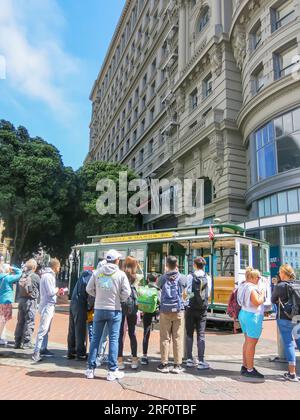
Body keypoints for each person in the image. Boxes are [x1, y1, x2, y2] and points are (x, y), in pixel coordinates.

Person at [86, 249, 131, 381]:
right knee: (113, 339)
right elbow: (127, 292)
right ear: (117, 260)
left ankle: (90, 369)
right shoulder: (120, 274)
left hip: (99, 309)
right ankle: (112, 370)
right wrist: (119, 299)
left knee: (95, 339)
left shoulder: (97, 273)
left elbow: (89, 289)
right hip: (114, 309)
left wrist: (98, 295)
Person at [157, 256, 187, 374]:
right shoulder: (182, 278)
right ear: (177, 264)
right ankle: (177, 364)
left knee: (165, 337)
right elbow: (186, 293)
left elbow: (158, 288)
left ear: (167, 265)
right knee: (177, 337)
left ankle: (164, 364)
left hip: (165, 311)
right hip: (178, 311)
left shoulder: (163, 278)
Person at [272, 264, 300, 382]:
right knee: (299, 341)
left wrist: (276, 285)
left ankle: (292, 373)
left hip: (284, 317)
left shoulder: (280, 286)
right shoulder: (297, 283)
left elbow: (273, 300)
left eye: (280, 272)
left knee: (289, 344)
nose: (279, 274)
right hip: (297, 317)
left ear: (283, 273)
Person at [238, 267, 266, 380]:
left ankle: (245, 366)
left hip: (244, 314)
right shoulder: (252, 288)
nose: (259, 279)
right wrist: (263, 294)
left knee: (247, 342)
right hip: (253, 316)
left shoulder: (243, 285)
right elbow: (257, 302)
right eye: (258, 277)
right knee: (251, 344)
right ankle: (250, 369)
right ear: (252, 277)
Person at [32, 258, 62, 362]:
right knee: (43, 329)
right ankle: (36, 351)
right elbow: (50, 292)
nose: (59, 268)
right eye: (58, 266)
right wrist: (57, 290)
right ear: (55, 266)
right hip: (48, 305)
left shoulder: (46, 275)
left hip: (46, 304)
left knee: (45, 329)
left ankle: (43, 349)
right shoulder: (49, 276)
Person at [185, 257, 212, 370]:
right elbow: (208, 294)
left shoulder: (190, 276)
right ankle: (201, 360)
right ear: (204, 266)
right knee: (201, 334)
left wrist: (192, 297)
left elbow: (187, 293)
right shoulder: (208, 277)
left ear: (195, 265)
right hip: (202, 309)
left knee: (189, 333)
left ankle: (190, 359)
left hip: (190, 308)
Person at [118, 256, 142, 370]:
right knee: (132, 333)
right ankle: (134, 360)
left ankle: (119, 360)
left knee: (120, 334)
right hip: (132, 307)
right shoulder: (137, 277)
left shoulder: (121, 275)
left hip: (121, 306)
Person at [67, 270, 93, 360]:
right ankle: (80, 353)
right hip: (81, 304)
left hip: (74, 302)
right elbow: (90, 293)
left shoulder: (85, 274)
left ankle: (71, 351)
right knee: (80, 329)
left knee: (72, 328)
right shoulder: (90, 277)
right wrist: (90, 307)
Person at [14, 259, 40, 349]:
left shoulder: (22, 275)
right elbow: (40, 288)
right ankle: (26, 342)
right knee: (29, 321)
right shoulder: (35, 276)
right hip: (30, 301)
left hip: (21, 300)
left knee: (20, 321)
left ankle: (17, 342)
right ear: (34, 267)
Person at [0, 264, 22, 346]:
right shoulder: (7, 278)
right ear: (7, 270)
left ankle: (2, 336)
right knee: (3, 320)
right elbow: (20, 274)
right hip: (6, 301)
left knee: (1, 319)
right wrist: (13, 268)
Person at [141, 273, 160, 366]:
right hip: (156, 312)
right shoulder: (158, 289)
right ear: (156, 280)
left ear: (148, 279)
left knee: (146, 333)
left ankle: (144, 356)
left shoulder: (144, 287)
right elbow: (160, 301)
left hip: (146, 312)